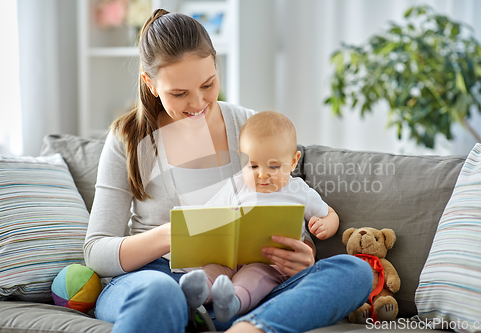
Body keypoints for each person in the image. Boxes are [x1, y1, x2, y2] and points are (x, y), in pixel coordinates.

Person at [84, 8, 374, 333]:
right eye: (179, 93)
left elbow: (289, 202)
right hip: (155, 279)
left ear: (216, 65)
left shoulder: (250, 125)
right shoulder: (127, 138)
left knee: (354, 271)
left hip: (244, 284)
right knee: (160, 293)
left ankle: (245, 327)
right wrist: (174, 235)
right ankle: (202, 313)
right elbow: (96, 251)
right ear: (149, 84)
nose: (197, 104)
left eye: (208, 85)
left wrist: (301, 253)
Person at [179, 111, 341, 323]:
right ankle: (200, 290)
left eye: (273, 166)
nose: (262, 174)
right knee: (214, 269)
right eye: (253, 166)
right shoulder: (236, 186)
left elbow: (330, 213)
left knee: (253, 275)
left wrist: (325, 225)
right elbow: (207, 215)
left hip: (272, 262)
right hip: (232, 256)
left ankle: (232, 301)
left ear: (293, 162)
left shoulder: (297, 190)